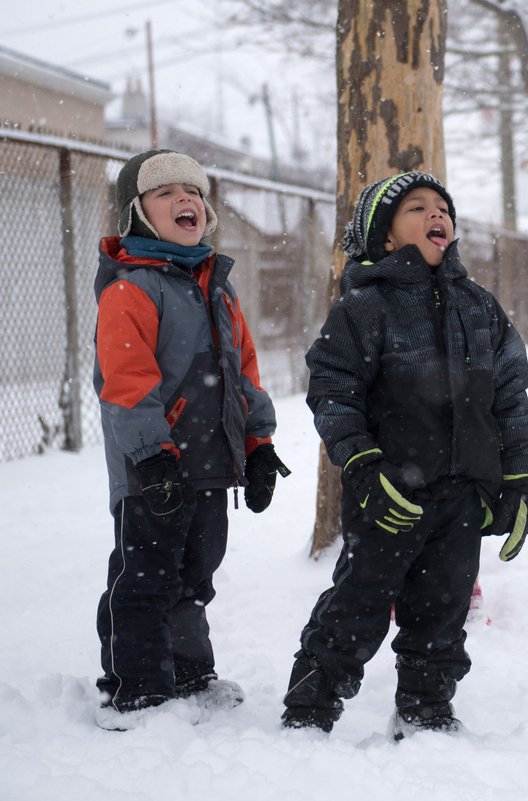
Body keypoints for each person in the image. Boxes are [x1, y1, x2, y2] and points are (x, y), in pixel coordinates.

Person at [281, 172, 528, 739]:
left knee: (443, 612)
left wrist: (519, 477)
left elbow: (509, 395)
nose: (435, 214)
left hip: (462, 494)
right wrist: (363, 465)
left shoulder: (480, 307)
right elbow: (333, 389)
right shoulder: (365, 308)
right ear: (387, 237)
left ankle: (426, 705)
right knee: (359, 602)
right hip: (389, 492)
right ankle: (310, 702)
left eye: (443, 207)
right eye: (417, 208)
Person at [93, 149, 289, 730]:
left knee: (196, 573)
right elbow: (127, 383)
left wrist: (259, 444)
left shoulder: (218, 289)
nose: (185, 200)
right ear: (138, 214)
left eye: (194, 192)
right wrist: (153, 455)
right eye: (165, 192)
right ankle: (135, 687)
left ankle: (189, 674)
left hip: (209, 464)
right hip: (152, 467)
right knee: (145, 576)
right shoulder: (132, 289)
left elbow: (243, 374)